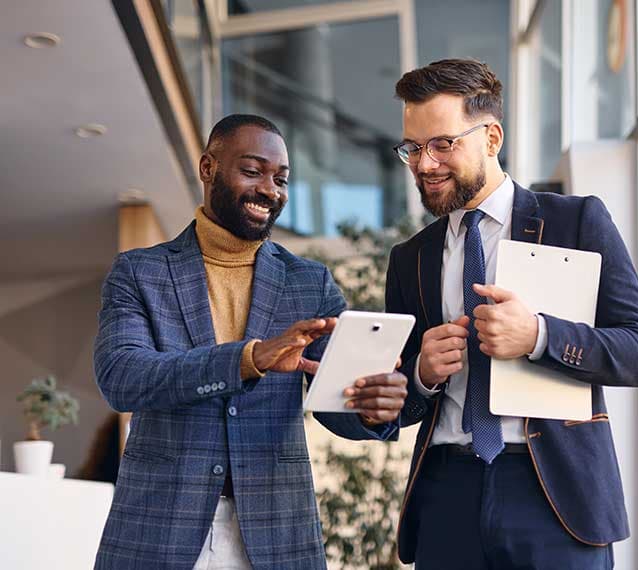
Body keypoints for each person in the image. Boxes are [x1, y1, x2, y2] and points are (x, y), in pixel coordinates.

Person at [93, 114, 407, 569]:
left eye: (280, 178)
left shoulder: (308, 282)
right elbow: (122, 377)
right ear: (208, 168)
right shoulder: (140, 272)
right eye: (253, 170)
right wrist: (248, 359)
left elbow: (337, 399)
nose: (270, 189)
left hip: (276, 533)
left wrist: (374, 405)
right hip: (159, 528)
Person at [387, 59, 638, 569]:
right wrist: (422, 375)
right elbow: (398, 401)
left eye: (443, 144)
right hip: (447, 490)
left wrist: (539, 335)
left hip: (554, 495)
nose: (424, 164)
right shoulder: (411, 258)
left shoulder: (575, 221)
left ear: (491, 137)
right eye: (413, 148)